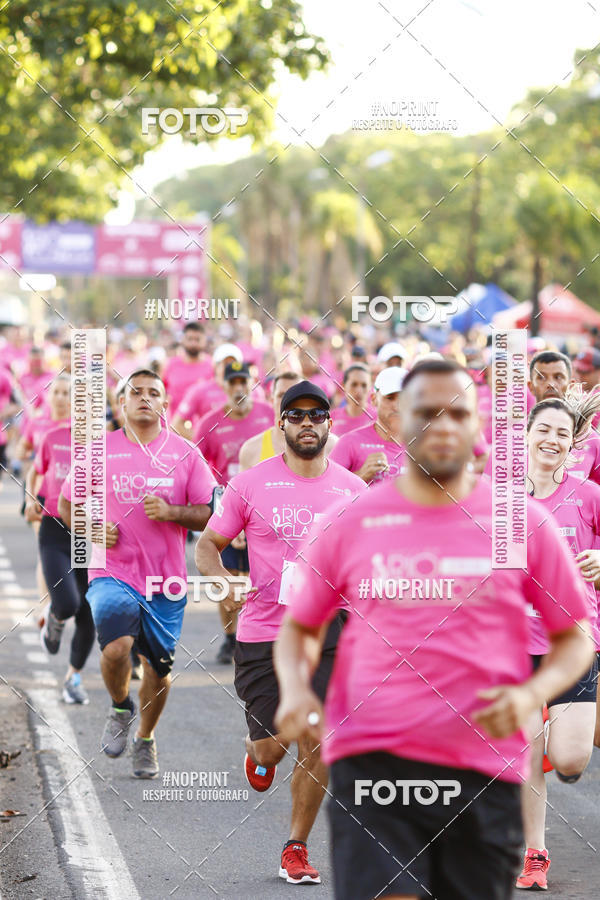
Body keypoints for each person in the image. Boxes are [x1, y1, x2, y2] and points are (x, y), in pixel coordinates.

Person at [273, 359, 593, 900]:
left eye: (457, 413)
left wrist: (532, 693)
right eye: (427, 412)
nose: (442, 425)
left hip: (483, 763)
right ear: (400, 422)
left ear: (477, 426)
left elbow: (574, 635)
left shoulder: (519, 521)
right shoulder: (353, 519)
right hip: (373, 755)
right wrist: (296, 689)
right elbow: (300, 627)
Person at [195, 380, 366, 885]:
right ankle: (259, 752)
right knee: (272, 747)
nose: (307, 423)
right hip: (264, 629)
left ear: (330, 424)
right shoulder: (250, 484)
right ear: (282, 423)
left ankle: (296, 847)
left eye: (317, 415)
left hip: (328, 629)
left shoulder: (352, 491)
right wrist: (223, 581)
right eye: (297, 415)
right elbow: (208, 545)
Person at [58, 369, 215, 777]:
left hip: (165, 581)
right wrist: (92, 528)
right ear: (120, 403)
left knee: (159, 670)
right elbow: (65, 504)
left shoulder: (185, 453)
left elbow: (210, 513)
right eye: (135, 392)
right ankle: (119, 707)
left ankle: (145, 738)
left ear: (165, 403)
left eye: (153, 393)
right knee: (115, 648)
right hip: (111, 571)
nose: (145, 398)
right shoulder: (98, 451)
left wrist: (173, 512)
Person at [515, 390, 600, 891]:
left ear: (573, 445)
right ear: (526, 436)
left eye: (562, 434)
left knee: (569, 759)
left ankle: (547, 738)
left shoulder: (588, 497)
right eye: (543, 430)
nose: (551, 440)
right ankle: (535, 854)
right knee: (524, 751)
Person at [194, 361, 273, 663]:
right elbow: (197, 464)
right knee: (226, 574)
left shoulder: (269, 415)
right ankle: (229, 637)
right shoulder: (210, 422)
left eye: (244, 381)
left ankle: (256, 635)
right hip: (226, 505)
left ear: (252, 384)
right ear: (224, 386)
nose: (239, 388)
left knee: (257, 574)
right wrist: (212, 499)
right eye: (233, 383)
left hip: (263, 505)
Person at [238, 371, 337, 471]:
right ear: (272, 401)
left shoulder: (334, 446)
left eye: (297, 395)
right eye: (282, 395)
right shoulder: (251, 449)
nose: (289, 399)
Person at [330, 366, 405, 485]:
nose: (397, 406)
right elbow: (327, 488)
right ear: (374, 399)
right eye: (390, 398)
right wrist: (361, 476)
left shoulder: (424, 446)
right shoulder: (349, 442)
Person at [172, 342, 244, 440]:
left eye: (234, 364)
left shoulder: (250, 391)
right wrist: (204, 441)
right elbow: (176, 425)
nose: (230, 368)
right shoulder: (199, 390)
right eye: (226, 364)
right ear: (216, 366)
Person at [162, 322, 212, 418]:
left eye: (197, 339)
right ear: (183, 340)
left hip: (203, 423)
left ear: (204, 341)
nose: (193, 343)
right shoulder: (170, 365)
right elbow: (162, 392)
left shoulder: (212, 365)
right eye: (190, 339)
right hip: (175, 423)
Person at [330, 364, 376, 436]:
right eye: (354, 384)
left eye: (364, 385)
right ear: (344, 386)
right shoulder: (332, 417)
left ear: (370, 387)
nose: (359, 390)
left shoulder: (378, 419)